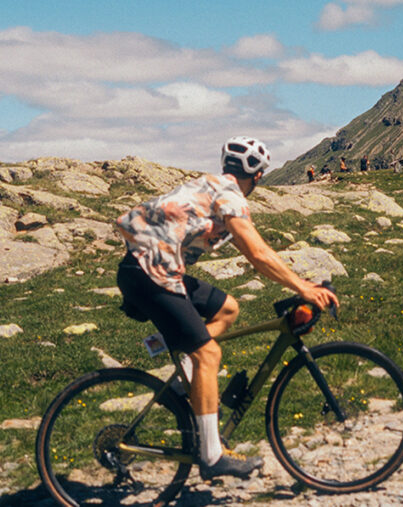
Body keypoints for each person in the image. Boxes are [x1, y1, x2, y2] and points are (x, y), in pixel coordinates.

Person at [115, 136, 339, 480]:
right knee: (209, 355)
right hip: (151, 272)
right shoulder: (230, 195)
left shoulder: (213, 185)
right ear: (259, 177)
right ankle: (212, 456)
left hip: (150, 268)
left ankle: (184, 377)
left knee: (228, 310)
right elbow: (257, 253)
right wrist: (303, 287)